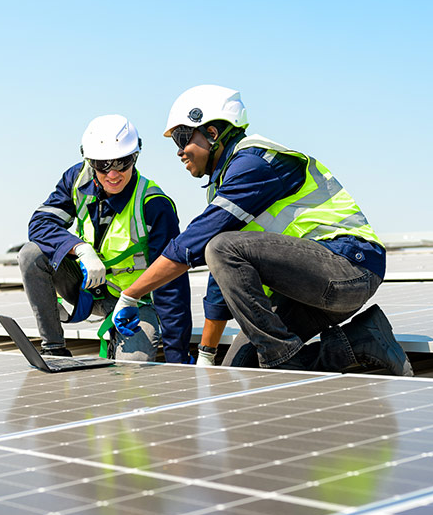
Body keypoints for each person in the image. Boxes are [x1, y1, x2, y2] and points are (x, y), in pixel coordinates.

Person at [111, 86, 413, 376]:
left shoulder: (254, 164)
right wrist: (206, 355)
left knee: (220, 247)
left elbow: (194, 244)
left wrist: (130, 295)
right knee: (240, 369)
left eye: (182, 138)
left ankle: (281, 362)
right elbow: (219, 283)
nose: (179, 152)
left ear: (213, 133)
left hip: (349, 268)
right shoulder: (225, 184)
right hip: (305, 288)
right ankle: (361, 341)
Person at [18, 114, 192, 363]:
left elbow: (172, 283)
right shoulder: (77, 180)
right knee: (31, 254)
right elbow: (40, 224)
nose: (113, 174)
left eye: (122, 163)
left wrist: (178, 358)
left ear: (135, 157)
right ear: (89, 162)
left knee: (133, 369)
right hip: (88, 288)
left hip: (135, 302)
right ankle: (53, 347)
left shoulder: (154, 204)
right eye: (102, 165)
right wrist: (79, 249)